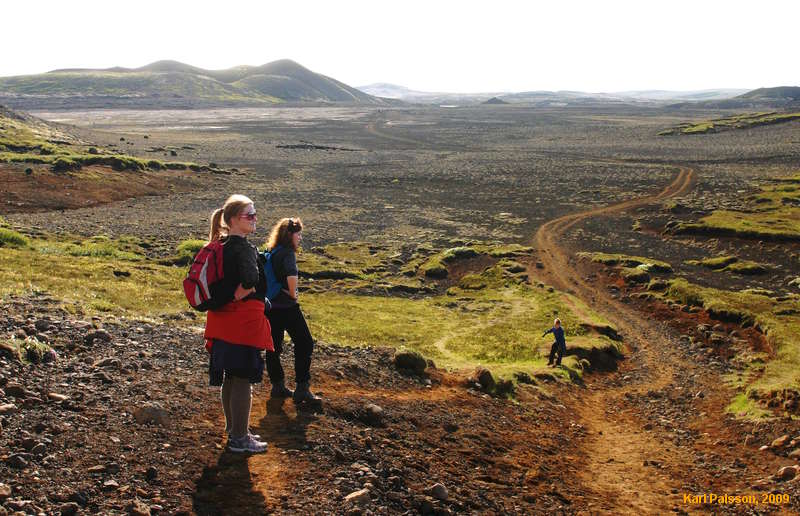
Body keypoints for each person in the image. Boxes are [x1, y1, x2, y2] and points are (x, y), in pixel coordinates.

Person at [203, 194, 273, 453]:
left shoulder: (220, 245)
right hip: (242, 322)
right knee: (242, 378)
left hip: (222, 320)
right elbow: (251, 278)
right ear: (233, 220)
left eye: (255, 214)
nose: (255, 219)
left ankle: (234, 429)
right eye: (250, 215)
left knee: (230, 377)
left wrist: (230, 297)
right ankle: (240, 439)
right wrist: (242, 295)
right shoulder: (243, 248)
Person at [264, 217, 321, 405]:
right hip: (287, 307)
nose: (300, 238)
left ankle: (277, 385)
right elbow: (291, 280)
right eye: (298, 234)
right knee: (305, 343)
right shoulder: (288, 253)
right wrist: (293, 294)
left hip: (270, 306)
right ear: (290, 235)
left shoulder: (272, 252)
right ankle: (302, 388)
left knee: (273, 347)